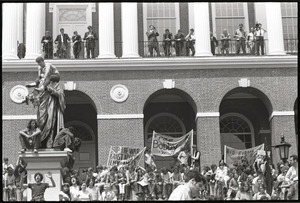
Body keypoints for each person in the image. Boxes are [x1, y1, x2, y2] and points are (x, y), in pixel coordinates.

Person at [25, 57, 66, 149]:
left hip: (51, 106)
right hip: (42, 105)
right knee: (40, 121)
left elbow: (60, 95)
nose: (39, 64)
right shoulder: (40, 75)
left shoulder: (54, 82)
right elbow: (36, 96)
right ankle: (39, 142)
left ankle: (49, 143)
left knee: (50, 122)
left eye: (40, 62)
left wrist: (48, 88)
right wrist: (30, 97)